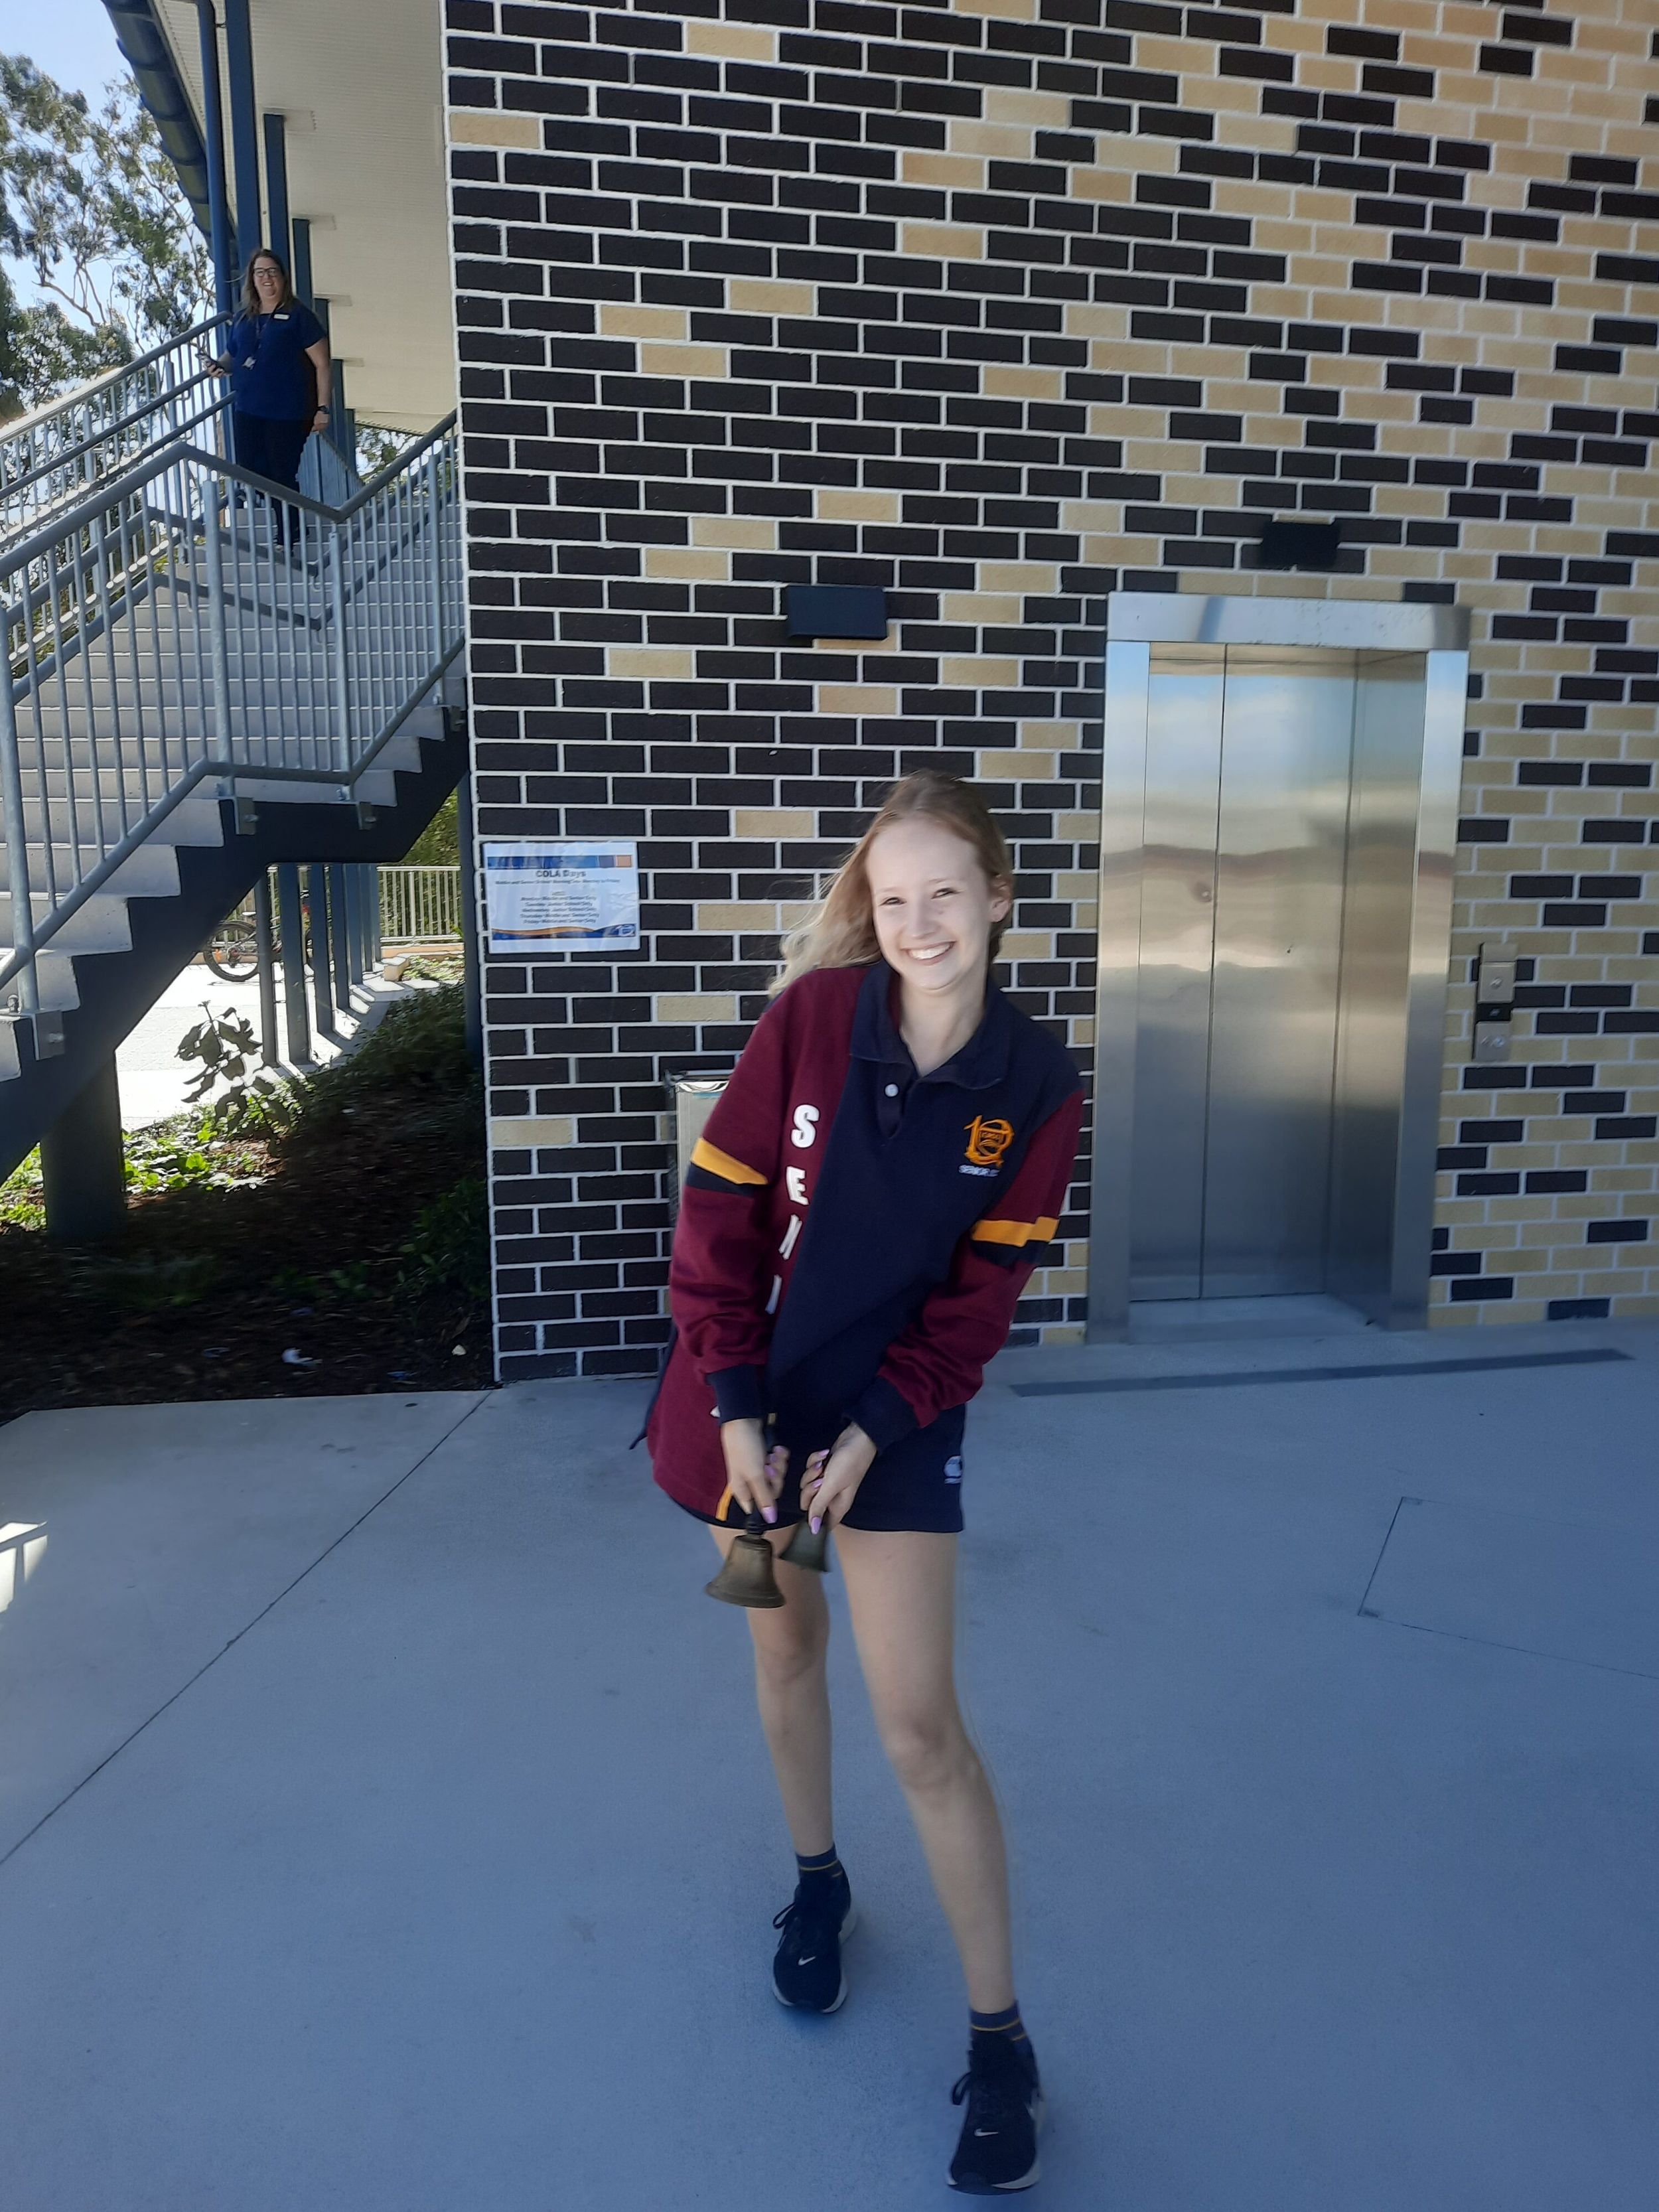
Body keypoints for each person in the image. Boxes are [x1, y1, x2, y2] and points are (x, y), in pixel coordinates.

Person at [646, 771, 1084, 2193]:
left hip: (893, 1417)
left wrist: (878, 1426)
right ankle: (817, 1883)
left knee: (919, 1729)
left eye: (945, 892)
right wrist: (734, 1409)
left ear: (998, 897)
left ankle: (1001, 2041)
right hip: (757, 1408)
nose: (919, 923)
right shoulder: (812, 1021)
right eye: (893, 898)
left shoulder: (1036, 1083)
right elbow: (715, 1219)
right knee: (784, 1654)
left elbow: (977, 1303)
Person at [208, 249, 331, 546]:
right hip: (249, 407)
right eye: (260, 272)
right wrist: (219, 366)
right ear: (252, 279)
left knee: (281, 470)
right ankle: (291, 519)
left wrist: (323, 407)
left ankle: (290, 531)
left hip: (289, 410)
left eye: (272, 272)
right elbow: (233, 355)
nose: (267, 278)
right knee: (249, 469)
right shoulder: (243, 319)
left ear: (283, 277)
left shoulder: (299, 316)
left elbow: (322, 364)